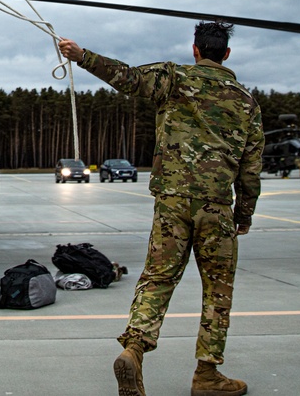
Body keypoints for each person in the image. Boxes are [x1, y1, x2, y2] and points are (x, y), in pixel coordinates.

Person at [58, 21, 263, 396]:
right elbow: (251, 168)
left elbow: (128, 78)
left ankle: (134, 350)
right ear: (227, 54)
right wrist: (244, 214)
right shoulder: (247, 102)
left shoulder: (174, 77)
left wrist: (81, 55)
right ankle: (207, 375)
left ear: (195, 50)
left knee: (157, 279)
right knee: (217, 290)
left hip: (171, 201)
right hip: (217, 207)